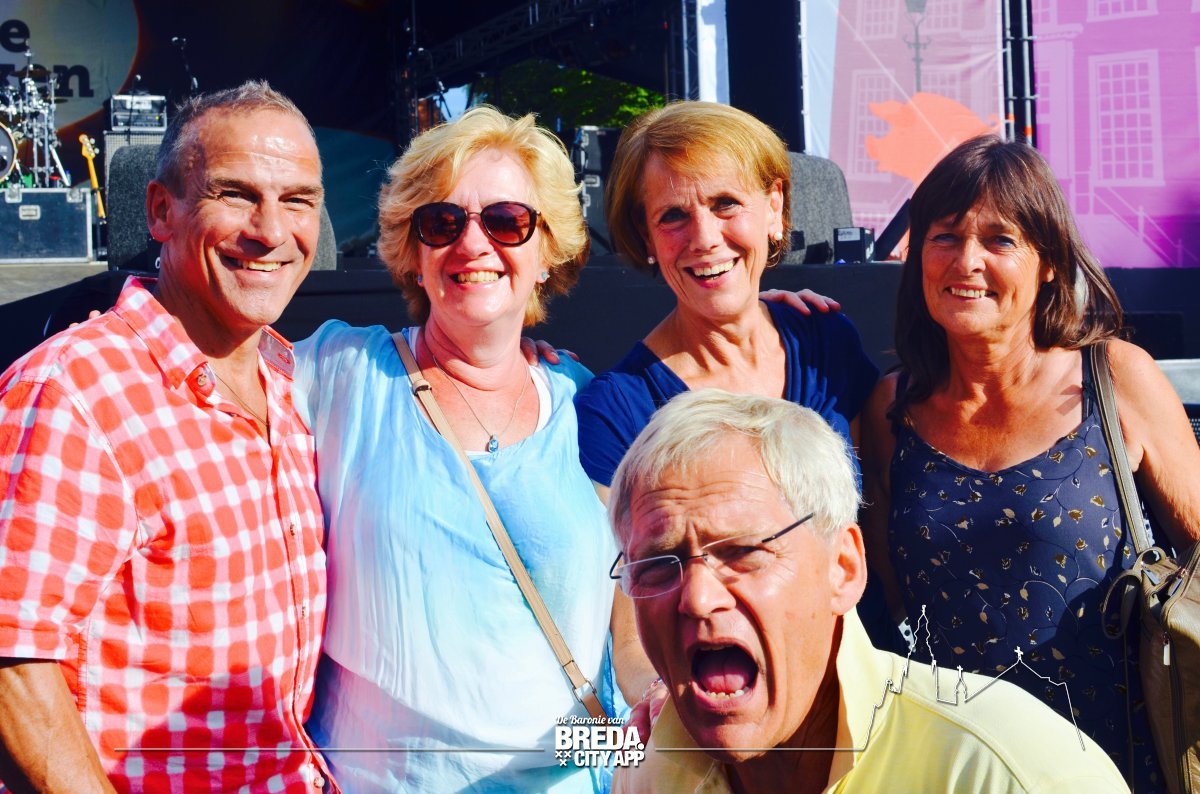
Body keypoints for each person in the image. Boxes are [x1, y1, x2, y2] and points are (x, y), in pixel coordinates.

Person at [295, 106, 654, 792]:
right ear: (412, 252)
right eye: (441, 223)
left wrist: (655, 698)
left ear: (547, 252)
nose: (472, 244)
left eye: (506, 221)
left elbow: (627, 634)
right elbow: (207, 364)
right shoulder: (342, 372)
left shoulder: (587, 405)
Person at [0, 82, 332, 791]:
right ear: (161, 211)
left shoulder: (290, 381)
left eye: (298, 200)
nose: (272, 230)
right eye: (236, 194)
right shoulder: (76, 389)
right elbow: (13, 664)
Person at [860, 135, 1200, 792]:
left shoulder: (1115, 378)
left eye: (1000, 240)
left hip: (1118, 767)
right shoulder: (889, 412)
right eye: (945, 236)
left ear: (1049, 263)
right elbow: (893, 607)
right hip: (960, 769)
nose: (967, 260)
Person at [607, 388, 1129, 793]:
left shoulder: (1011, 774)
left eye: (742, 551)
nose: (698, 598)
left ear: (843, 567)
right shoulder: (650, 773)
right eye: (657, 566)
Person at [574, 101, 878, 502]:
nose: (705, 238)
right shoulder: (617, 412)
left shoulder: (825, 343)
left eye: (725, 203)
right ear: (647, 237)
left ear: (774, 207)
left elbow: (875, 515)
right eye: (673, 216)